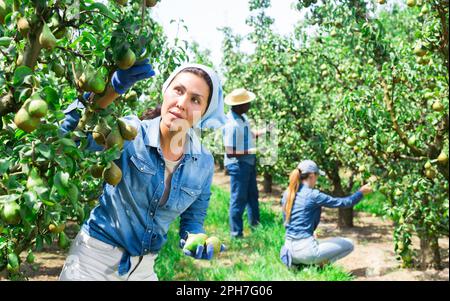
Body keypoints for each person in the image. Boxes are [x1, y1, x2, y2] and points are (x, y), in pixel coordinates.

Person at [58, 59, 227, 281]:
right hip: (92, 261)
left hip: (143, 270)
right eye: (178, 90)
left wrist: (195, 239)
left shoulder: (203, 162)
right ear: (166, 92)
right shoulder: (130, 133)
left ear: (204, 112)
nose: (182, 103)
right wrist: (110, 91)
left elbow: (193, 219)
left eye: (195, 100)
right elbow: (64, 136)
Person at [279, 160, 372, 268]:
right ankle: (316, 266)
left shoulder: (288, 193)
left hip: (288, 250)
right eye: (317, 176)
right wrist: (361, 192)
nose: (317, 179)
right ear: (312, 175)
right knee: (349, 244)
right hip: (306, 252)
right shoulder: (313, 195)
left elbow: (287, 220)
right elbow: (345, 203)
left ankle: (299, 266)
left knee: (317, 243)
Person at [222, 88, 266, 238]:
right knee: (239, 199)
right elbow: (229, 151)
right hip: (238, 165)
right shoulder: (232, 124)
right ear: (239, 105)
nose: (249, 105)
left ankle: (256, 227)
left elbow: (250, 134)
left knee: (253, 195)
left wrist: (265, 131)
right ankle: (236, 233)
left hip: (248, 163)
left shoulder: (242, 118)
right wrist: (250, 151)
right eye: (247, 103)